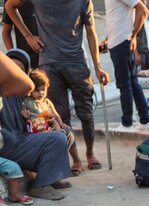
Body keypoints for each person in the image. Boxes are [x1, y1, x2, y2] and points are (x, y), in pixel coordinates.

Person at [5, 0, 110, 172]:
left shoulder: (83, 1)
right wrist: (28, 36)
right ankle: (75, 159)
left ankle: (90, 154)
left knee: (86, 112)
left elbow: (91, 32)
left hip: (77, 62)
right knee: (60, 115)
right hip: (50, 64)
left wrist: (97, 66)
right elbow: (9, 5)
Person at [0, 49, 71, 201]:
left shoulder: (26, 96)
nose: (14, 74)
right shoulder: (4, 90)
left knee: (64, 134)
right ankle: (40, 185)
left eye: (20, 70)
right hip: (8, 141)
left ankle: (50, 176)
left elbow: (35, 121)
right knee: (57, 139)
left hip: (22, 138)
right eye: (11, 68)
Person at [103, 0, 149, 132]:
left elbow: (143, 10)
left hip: (121, 42)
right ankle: (144, 120)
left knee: (124, 84)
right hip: (118, 41)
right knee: (132, 82)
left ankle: (127, 123)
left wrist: (134, 35)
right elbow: (116, 18)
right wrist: (108, 40)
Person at [22, 69, 81, 176]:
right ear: (30, 90)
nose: (41, 93)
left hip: (49, 127)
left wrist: (61, 123)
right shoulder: (27, 102)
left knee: (64, 130)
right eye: (37, 90)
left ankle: (67, 162)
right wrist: (26, 117)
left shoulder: (47, 102)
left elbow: (56, 114)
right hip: (36, 130)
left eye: (43, 90)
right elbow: (27, 119)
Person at [2, 0, 39, 69]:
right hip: (26, 61)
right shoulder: (12, 3)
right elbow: (6, 32)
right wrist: (14, 56)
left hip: (49, 59)